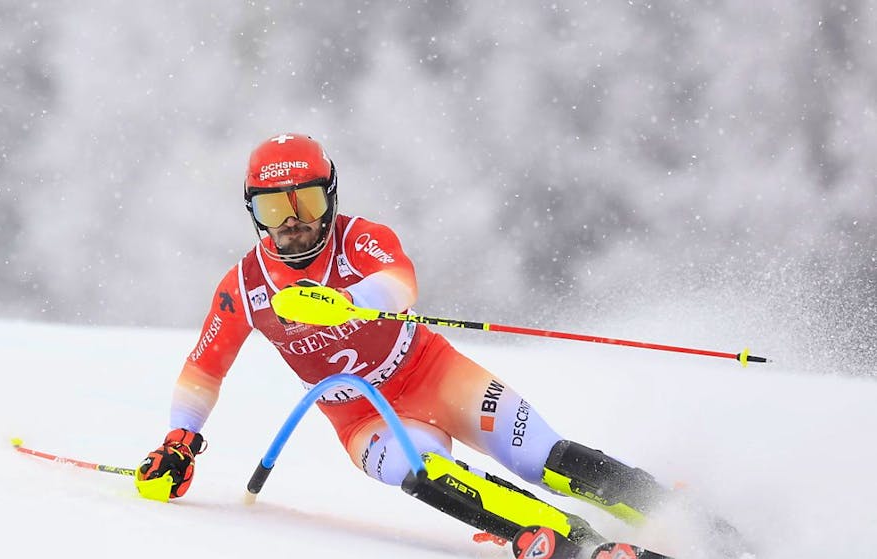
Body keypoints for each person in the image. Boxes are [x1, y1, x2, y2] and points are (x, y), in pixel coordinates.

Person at [135, 133, 696, 557]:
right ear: (252, 212)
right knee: (421, 470)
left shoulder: (360, 239)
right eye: (273, 209)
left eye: (305, 203)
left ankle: (680, 516)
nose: (293, 224)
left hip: (432, 372)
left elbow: (399, 283)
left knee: (537, 455)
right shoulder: (244, 287)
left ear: (330, 197)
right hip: (362, 419)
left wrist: (344, 299)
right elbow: (204, 368)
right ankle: (577, 545)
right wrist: (180, 439)